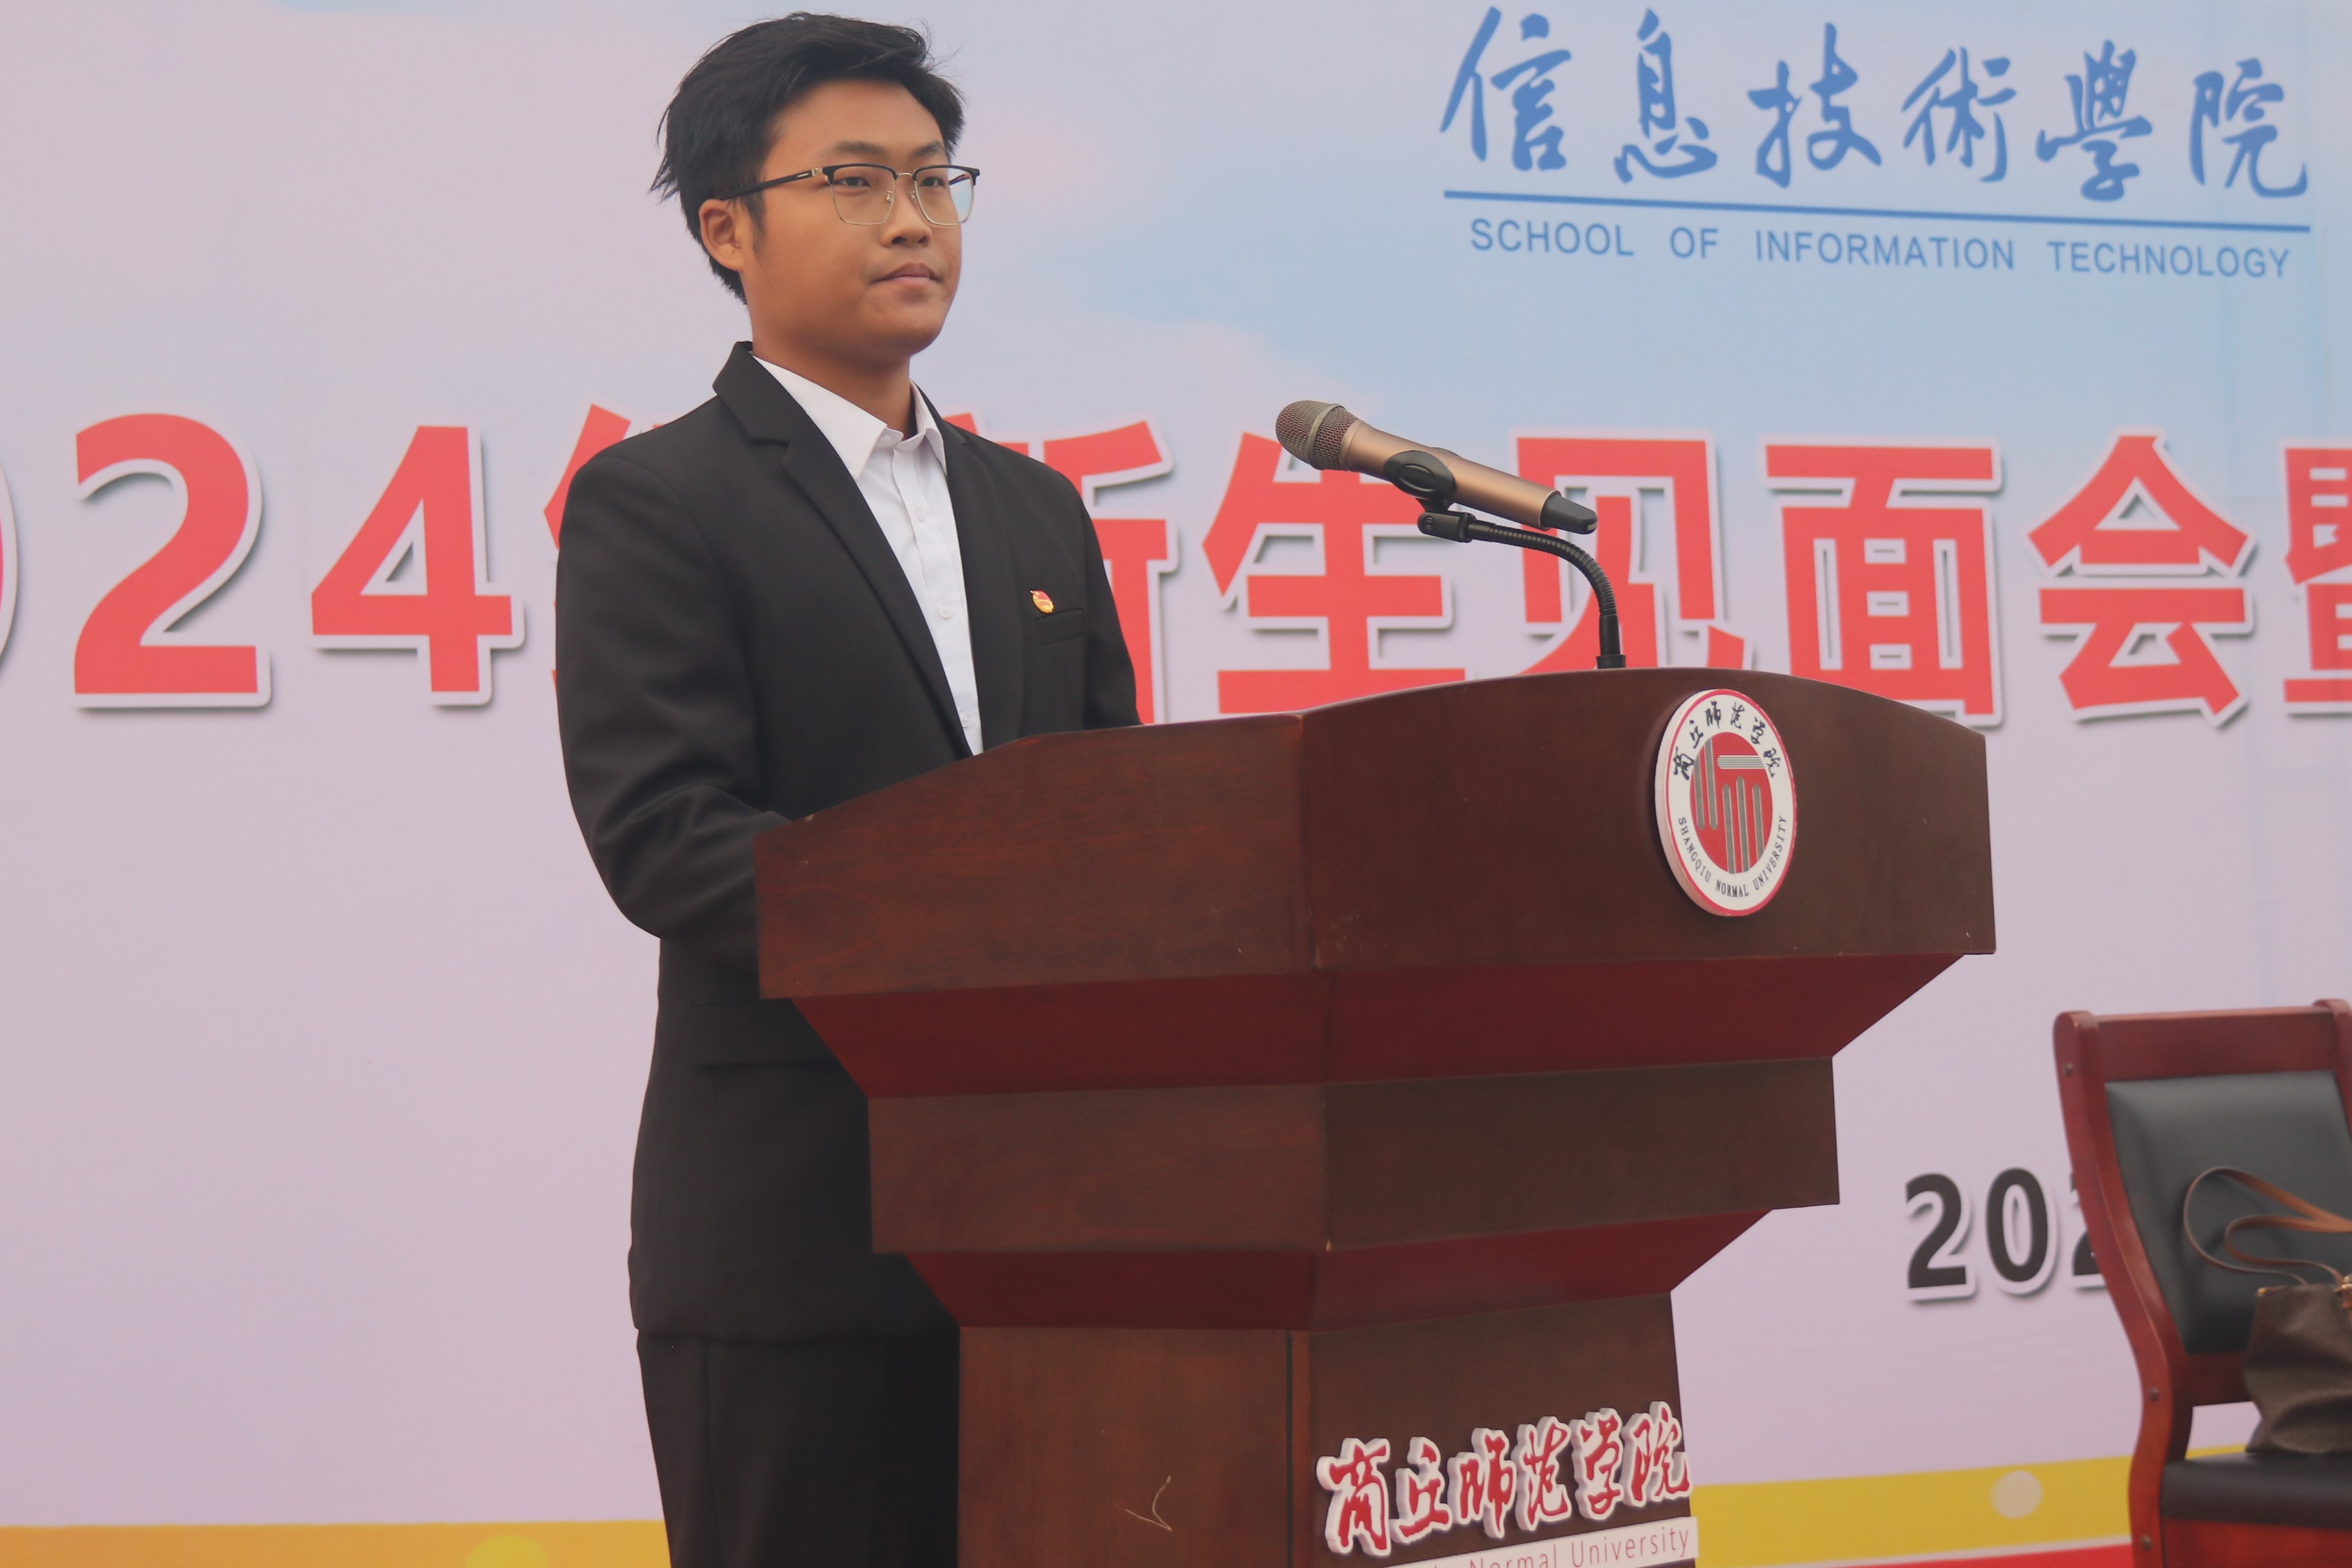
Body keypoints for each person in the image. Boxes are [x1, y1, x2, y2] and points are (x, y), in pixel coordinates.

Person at [552, 14, 1139, 1567]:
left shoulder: (1038, 511)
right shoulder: (659, 500)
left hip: (1055, 1240)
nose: (911, 220)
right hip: (798, 1241)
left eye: (935, 180)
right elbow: (669, 837)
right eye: (855, 180)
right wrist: (978, 929)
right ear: (726, 230)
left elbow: (1116, 823)